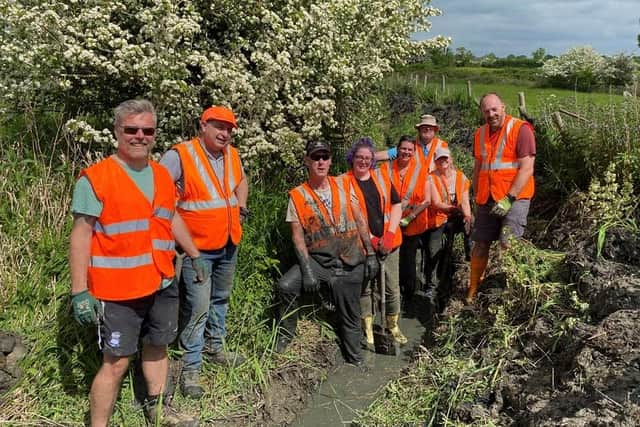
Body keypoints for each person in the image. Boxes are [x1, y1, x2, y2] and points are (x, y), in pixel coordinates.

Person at [69, 99, 202, 426]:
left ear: (155, 135)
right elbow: (80, 236)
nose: (140, 136)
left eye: (147, 130)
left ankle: (159, 414)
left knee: (158, 347)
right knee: (116, 362)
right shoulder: (96, 178)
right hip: (118, 291)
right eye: (131, 129)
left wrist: (195, 255)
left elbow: (170, 220)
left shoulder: (161, 176)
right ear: (117, 131)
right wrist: (79, 291)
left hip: (161, 282)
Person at [160, 105, 248, 399]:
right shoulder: (180, 155)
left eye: (229, 128)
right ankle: (191, 368)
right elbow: (159, 196)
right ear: (203, 125)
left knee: (220, 300)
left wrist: (241, 206)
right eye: (219, 126)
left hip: (228, 243)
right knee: (197, 307)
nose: (225, 133)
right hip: (196, 250)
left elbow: (241, 181)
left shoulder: (231, 155)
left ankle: (215, 347)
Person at [274, 140, 378, 366]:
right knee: (286, 285)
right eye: (315, 157)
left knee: (350, 319)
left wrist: (370, 254)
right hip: (319, 262)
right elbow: (297, 237)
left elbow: (360, 220)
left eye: (325, 157)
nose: (320, 161)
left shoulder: (345, 185)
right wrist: (307, 271)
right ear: (307, 161)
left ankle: (356, 361)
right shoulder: (298, 195)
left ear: (330, 160)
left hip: (350, 261)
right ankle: (285, 334)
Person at [467, 92, 536, 303]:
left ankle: (510, 292)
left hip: (514, 198)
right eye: (486, 111)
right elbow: (479, 167)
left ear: (503, 107)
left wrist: (509, 198)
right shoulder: (479, 134)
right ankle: (473, 287)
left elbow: (526, 168)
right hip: (487, 197)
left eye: (494, 109)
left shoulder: (520, 129)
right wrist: (475, 194)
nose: (491, 114)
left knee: (508, 245)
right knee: (480, 244)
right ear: (482, 113)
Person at [343, 137, 406, 348]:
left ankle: (392, 326)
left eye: (368, 158)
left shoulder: (381, 178)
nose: (363, 161)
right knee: (365, 288)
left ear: (372, 161)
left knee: (391, 287)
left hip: (389, 242)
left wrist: (388, 235)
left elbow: (396, 206)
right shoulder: (344, 182)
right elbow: (348, 215)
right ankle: (368, 329)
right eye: (359, 157)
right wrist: (370, 239)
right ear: (352, 159)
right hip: (361, 245)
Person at [382, 136, 431, 303]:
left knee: (408, 258)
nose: (406, 152)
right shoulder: (386, 169)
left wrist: (410, 217)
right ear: (397, 150)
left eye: (410, 150)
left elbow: (427, 200)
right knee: (392, 257)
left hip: (413, 222)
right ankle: (392, 293)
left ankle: (408, 294)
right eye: (403, 149)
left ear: (414, 152)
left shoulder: (421, 170)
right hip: (390, 223)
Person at [429, 146, 472, 307]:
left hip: (456, 216)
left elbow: (465, 200)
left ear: (451, 159)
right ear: (436, 162)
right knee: (433, 251)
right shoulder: (431, 178)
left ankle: (469, 255)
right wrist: (453, 209)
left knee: (471, 220)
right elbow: (436, 203)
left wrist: (466, 215)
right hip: (438, 217)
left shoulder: (461, 177)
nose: (444, 161)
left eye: (446, 158)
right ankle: (431, 283)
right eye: (440, 159)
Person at [375, 114, 448, 173]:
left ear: (435, 130)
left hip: (434, 186)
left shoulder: (442, 145)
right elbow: (388, 154)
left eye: (431, 127)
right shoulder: (410, 144)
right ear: (419, 130)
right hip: (413, 187)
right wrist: (368, 157)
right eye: (424, 127)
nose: (427, 129)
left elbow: (449, 167)